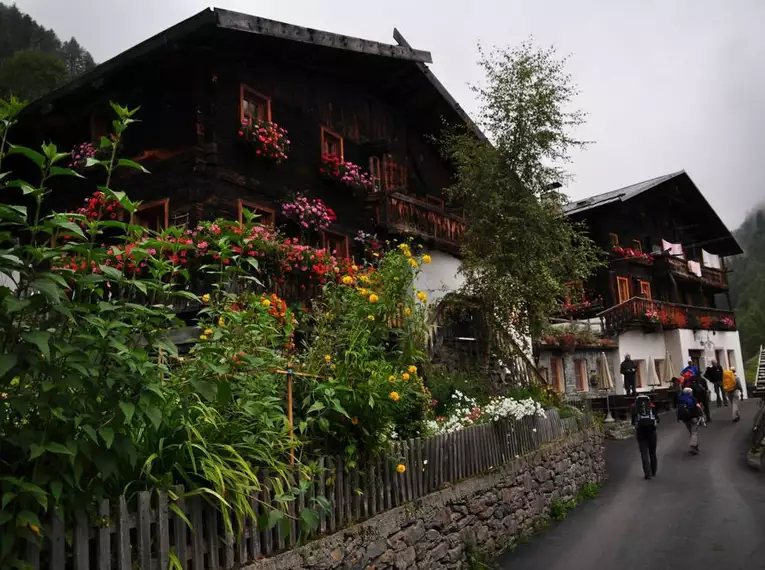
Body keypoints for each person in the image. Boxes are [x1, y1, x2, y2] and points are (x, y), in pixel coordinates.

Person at [631, 394, 659, 479]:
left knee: (644, 453)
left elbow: (633, 422)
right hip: (652, 432)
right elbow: (657, 419)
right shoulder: (651, 406)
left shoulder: (635, 408)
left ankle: (648, 474)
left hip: (641, 433)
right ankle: (653, 471)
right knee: (652, 453)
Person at [677, 385, 701, 455]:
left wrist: (678, 418)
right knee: (694, 433)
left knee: (691, 432)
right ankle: (693, 447)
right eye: (691, 392)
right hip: (693, 417)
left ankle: (696, 446)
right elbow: (698, 407)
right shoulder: (693, 398)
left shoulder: (680, 399)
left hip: (685, 419)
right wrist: (700, 415)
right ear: (690, 392)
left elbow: (678, 409)